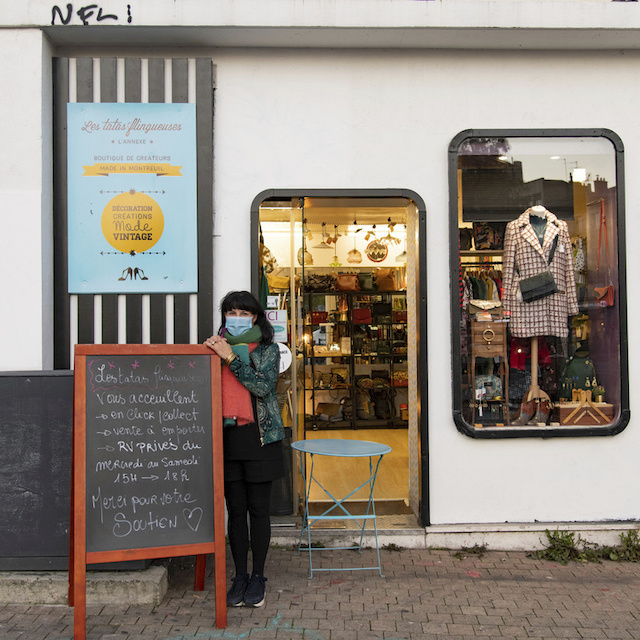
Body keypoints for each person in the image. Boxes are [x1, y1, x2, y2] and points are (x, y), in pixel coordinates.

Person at [204, 291, 285, 608]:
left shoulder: (268, 349)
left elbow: (263, 386)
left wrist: (231, 358)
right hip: (226, 439)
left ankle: (259, 577)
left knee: (258, 511)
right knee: (235, 512)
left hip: (260, 438)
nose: (236, 317)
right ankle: (239, 576)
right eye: (230, 311)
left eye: (243, 312)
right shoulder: (212, 347)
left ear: (256, 317)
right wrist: (218, 353)